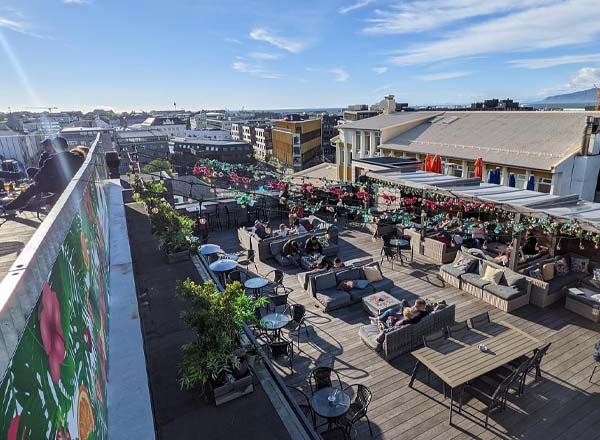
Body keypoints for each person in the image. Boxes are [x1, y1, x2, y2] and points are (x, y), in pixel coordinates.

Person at [3, 145, 89, 212]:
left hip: (60, 185)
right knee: (34, 176)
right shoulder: (81, 161)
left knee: (32, 188)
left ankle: (7, 207)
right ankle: (32, 202)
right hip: (71, 184)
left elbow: (39, 176)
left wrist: (37, 179)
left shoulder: (53, 159)